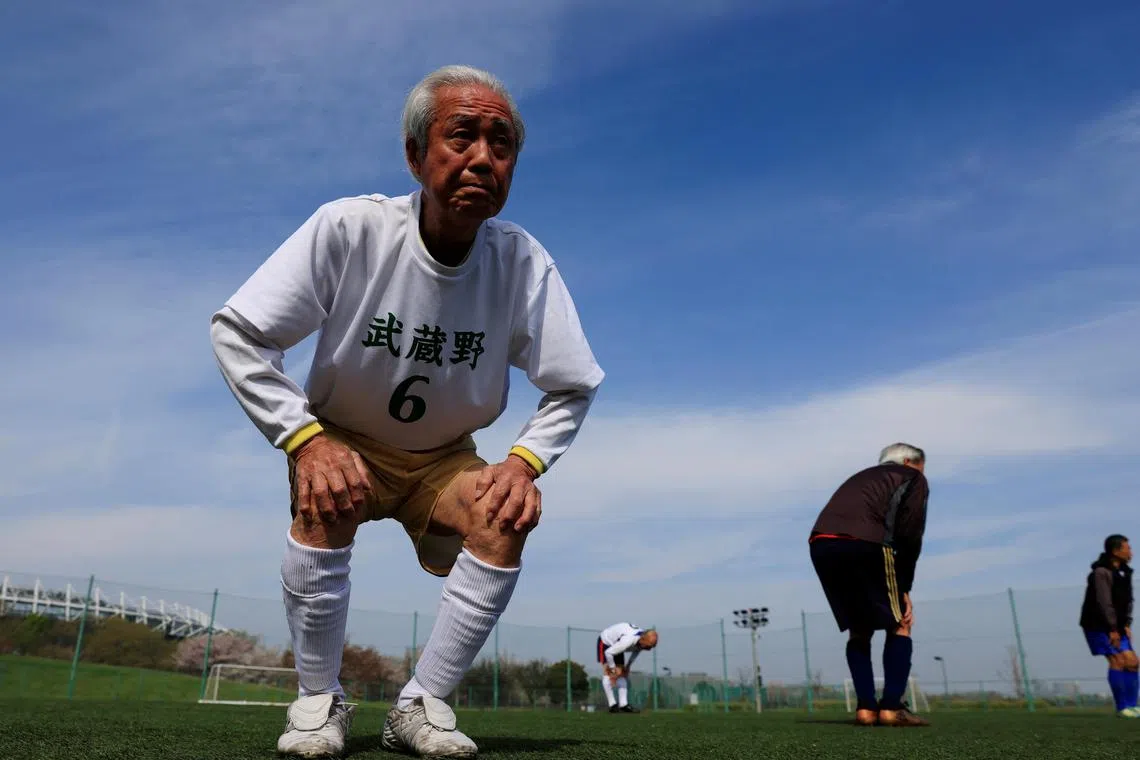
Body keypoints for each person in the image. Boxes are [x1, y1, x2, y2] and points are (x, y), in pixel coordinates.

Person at [210, 64, 604, 759]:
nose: (483, 157)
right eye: (462, 136)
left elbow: (573, 383)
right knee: (324, 497)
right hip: (344, 439)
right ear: (416, 155)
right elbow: (239, 331)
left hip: (445, 459)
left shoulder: (521, 262)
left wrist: (522, 464)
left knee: (505, 511)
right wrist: (303, 440)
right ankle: (318, 701)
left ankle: (421, 705)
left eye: (502, 144)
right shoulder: (350, 228)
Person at [808, 443, 930, 727]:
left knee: (859, 627)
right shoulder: (912, 477)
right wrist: (904, 587)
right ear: (909, 462)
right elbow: (910, 532)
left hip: (821, 545)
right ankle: (891, 708)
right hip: (866, 544)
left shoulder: (861, 476)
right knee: (900, 622)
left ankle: (865, 708)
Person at [1080, 534, 1138, 717]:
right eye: (1127, 548)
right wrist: (1112, 628)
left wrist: (1126, 624)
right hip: (1098, 624)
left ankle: (1133, 706)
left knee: (1133, 662)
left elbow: (1127, 600)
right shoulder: (1101, 573)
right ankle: (1122, 708)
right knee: (1117, 660)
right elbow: (1104, 602)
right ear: (1115, 551)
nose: (1131, 552)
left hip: (1117, 625)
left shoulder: (1125, 572)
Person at [596, 623, 658, 713]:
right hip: (606, 642)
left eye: (651, 647)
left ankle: (623, 705)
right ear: (643, 639)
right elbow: (608, 653)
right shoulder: (627, 641)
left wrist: (628, 666)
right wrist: (613, 671)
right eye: (648, 646)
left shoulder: (642, 641)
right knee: (608, 673)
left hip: (617, 642)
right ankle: (612, 705)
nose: (649, 649)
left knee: (622, 674)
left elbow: (637, 650)